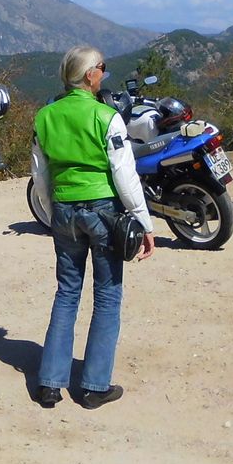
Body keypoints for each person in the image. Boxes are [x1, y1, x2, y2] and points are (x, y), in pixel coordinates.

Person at [30, 45, 155, 409]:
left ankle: (50, 383)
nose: (104, 72)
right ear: (90, 75)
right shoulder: (107, 116)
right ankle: (94, 386)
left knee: (67, 292)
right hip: (104, 211)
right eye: (102, 67)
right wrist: (144, 221)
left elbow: (40, 174)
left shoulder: (44, 117)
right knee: (107, 295)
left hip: (64, 210)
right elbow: (124, 174)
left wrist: (53, 212)